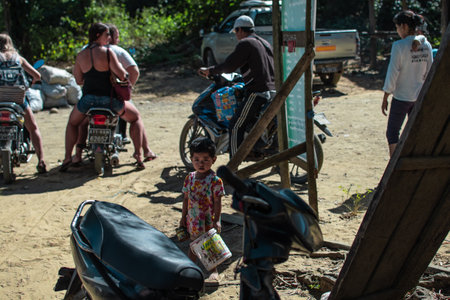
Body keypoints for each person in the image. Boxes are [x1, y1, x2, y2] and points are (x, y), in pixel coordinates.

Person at [61, 22, 146, 171]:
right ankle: (139, 155)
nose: (109, 38)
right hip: (110, 101)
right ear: (98, 35)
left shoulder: (81, 55)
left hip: (88, 101)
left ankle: (69, 156)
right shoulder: (107, 52)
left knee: (73, 123)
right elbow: (122, 73)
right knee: (135, 118)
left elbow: (79, 80)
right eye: (107, 34)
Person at [198, 15, 275, 157]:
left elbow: (229, 66)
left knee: (235, 125)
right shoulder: (264, 43)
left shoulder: (246, 43)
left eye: (235, 32)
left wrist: (210, 70)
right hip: (273, 90)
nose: (236, 36)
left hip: (258, 92)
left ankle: (233, 165)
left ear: (240, 29)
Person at [381, 10, 433, 157]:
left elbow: (393, 73)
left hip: (402, 97)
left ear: (403, 26)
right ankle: (414, 158)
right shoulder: (426, 45)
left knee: (392, 132)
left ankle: (394, 165)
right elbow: (430, 71)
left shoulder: (399, 46)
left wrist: (386, 95)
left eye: (397, 27)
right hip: (418, 95)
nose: (397, 31)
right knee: (415, 130)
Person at [0, 33, 46, 173]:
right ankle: (41, 161)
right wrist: (30, 83)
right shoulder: (18, 58)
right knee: (33, 127)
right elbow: (37, 76)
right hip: (18, 100)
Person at [179, 137, 224, 283]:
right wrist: (183, 217)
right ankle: (190, 268)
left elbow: (217, 201)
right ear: (191, 159)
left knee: (208, 245)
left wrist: (217, 220)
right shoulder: (189, 178)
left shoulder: (215, 180)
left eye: (205, 159)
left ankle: (213, 272)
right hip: (192, 219)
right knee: (194, 244)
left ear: (214, 159)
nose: (201, 163)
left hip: (207, 219)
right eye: (197, 159)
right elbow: (186, 199)